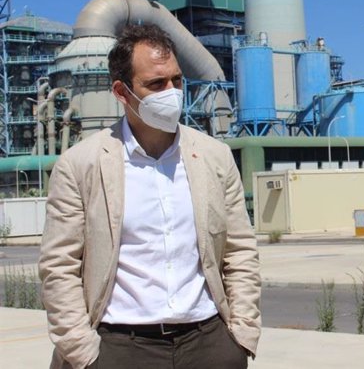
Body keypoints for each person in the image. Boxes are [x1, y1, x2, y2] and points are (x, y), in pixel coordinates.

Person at [39, 24, 261, 369]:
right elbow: (59, 266)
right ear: (121, 91)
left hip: (209, 344)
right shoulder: (81, 164)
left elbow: (240, 251)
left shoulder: (214, 157)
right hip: (120, 348)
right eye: (156, 84)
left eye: (176, 80)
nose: (171, 92)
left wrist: (241, 333)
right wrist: (84, 353)